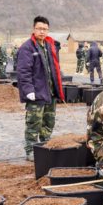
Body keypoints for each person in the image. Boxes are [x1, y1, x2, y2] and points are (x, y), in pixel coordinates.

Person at [17, 15, 65, 160]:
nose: (42, 32)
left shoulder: (50, 46)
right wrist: (28, 90)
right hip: (36, 93)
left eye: (45, 29)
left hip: (50, 93)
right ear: (34, 29)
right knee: (34, 123)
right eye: (39, 29)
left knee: (49, 122)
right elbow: (23, 72)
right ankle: (31, 150)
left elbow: (55, 69)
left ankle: (44, 146)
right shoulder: (27, 48)